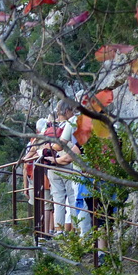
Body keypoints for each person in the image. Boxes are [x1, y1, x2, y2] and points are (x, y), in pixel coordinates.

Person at [44, 100, 78, 236]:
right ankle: (76, 230)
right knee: (72, 197)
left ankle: (58, 231)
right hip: (67, 164)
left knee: (58, 200)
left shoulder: (49, 130)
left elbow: (55, 146)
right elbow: (62, 145)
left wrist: (48, 149)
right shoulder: (72, 124)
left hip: (53, 165)